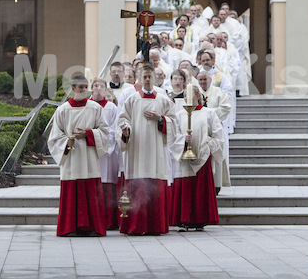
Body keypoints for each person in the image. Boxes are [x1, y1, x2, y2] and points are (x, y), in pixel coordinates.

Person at [116, 65, 182, 235]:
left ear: (155, 78)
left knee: (155, 185)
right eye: (144, 76)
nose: (147, 79)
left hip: (156, 152)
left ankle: (155, 226)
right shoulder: (132, 99)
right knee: (137, 187)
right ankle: (135, 226)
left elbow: (175, 122)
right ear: (139, 78)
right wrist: (125, 130)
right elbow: (123, 120)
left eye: (149, 77)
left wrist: (160, 119)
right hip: (136, 151)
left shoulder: (163, 99)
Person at [47, 75, 109, 237]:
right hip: (72, 157)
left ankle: (92, 227)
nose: (83, 90)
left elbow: (105, 132)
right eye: (80, 87)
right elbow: (54, 137)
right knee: (71, 193)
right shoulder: (62, 110)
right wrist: (66, 143)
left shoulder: (95, 108)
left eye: (85, 86)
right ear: (73, 88)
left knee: (90, 191)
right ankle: (69, 228)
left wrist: (88, 134)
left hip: (89, 157)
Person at [171, 86, 223, 231]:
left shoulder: (209, 113)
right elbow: (174, 135)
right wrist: (183, 140)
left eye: (189, 95)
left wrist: (207, 144)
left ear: (197, 96)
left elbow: (218, 136)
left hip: (203, 155)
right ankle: (184, 219)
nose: (186, 98)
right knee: (185, 187)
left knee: (200, 189)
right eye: (185, 96)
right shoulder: (180, 114)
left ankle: (200, 220)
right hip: (185, 157)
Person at [90, 77, 121, 229]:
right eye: (96, 86)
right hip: (90, 151)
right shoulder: (87, 106)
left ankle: (109, 221)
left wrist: (107, 148)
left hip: (107, 154)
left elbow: (114, 129)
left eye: (101, 86)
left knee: (107, 183)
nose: (98, 89)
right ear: (92, 88)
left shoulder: (111, 107)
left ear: (105, 89)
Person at [197, 71, 232, 192]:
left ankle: (216, 184)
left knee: (216, 154)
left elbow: (225, 108)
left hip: (215, 128)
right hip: (200, 129)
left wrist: (208, 114)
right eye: (200, 80)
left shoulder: (219, 93)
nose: (203, 82)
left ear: (210, 79)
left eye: (205, 79)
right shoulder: (195, 93)